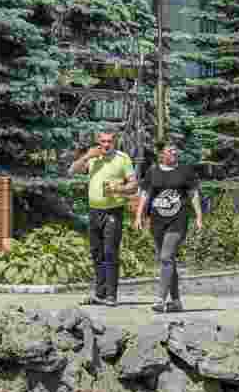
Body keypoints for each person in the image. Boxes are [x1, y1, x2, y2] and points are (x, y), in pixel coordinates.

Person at [69, 132, 137, 306]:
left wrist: (119, 188)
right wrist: (87, 156)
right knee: (96, 252)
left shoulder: (123, 159)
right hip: (94, 211)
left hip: (113, 211)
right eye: (103, 141)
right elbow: (72, 171)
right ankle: (99, 293)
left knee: (110, 252)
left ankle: (111, 295)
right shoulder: (92, 158)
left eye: (110, 141)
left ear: (115, 142)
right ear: (98, 142)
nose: (106, 144)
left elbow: (134, 185)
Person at [136, 142, 203, 313]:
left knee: (166, 257)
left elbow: (193, 193)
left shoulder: (185, 171)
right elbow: (145, 194)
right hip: (157, 221)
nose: (174, 153)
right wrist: (139, 216)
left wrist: (199, 216)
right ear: (161, 155)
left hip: (178, 221)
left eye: (175, 150)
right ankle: (176, 302)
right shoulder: (153, 171)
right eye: (170, 151)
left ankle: (160, 299)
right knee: (167, 260)